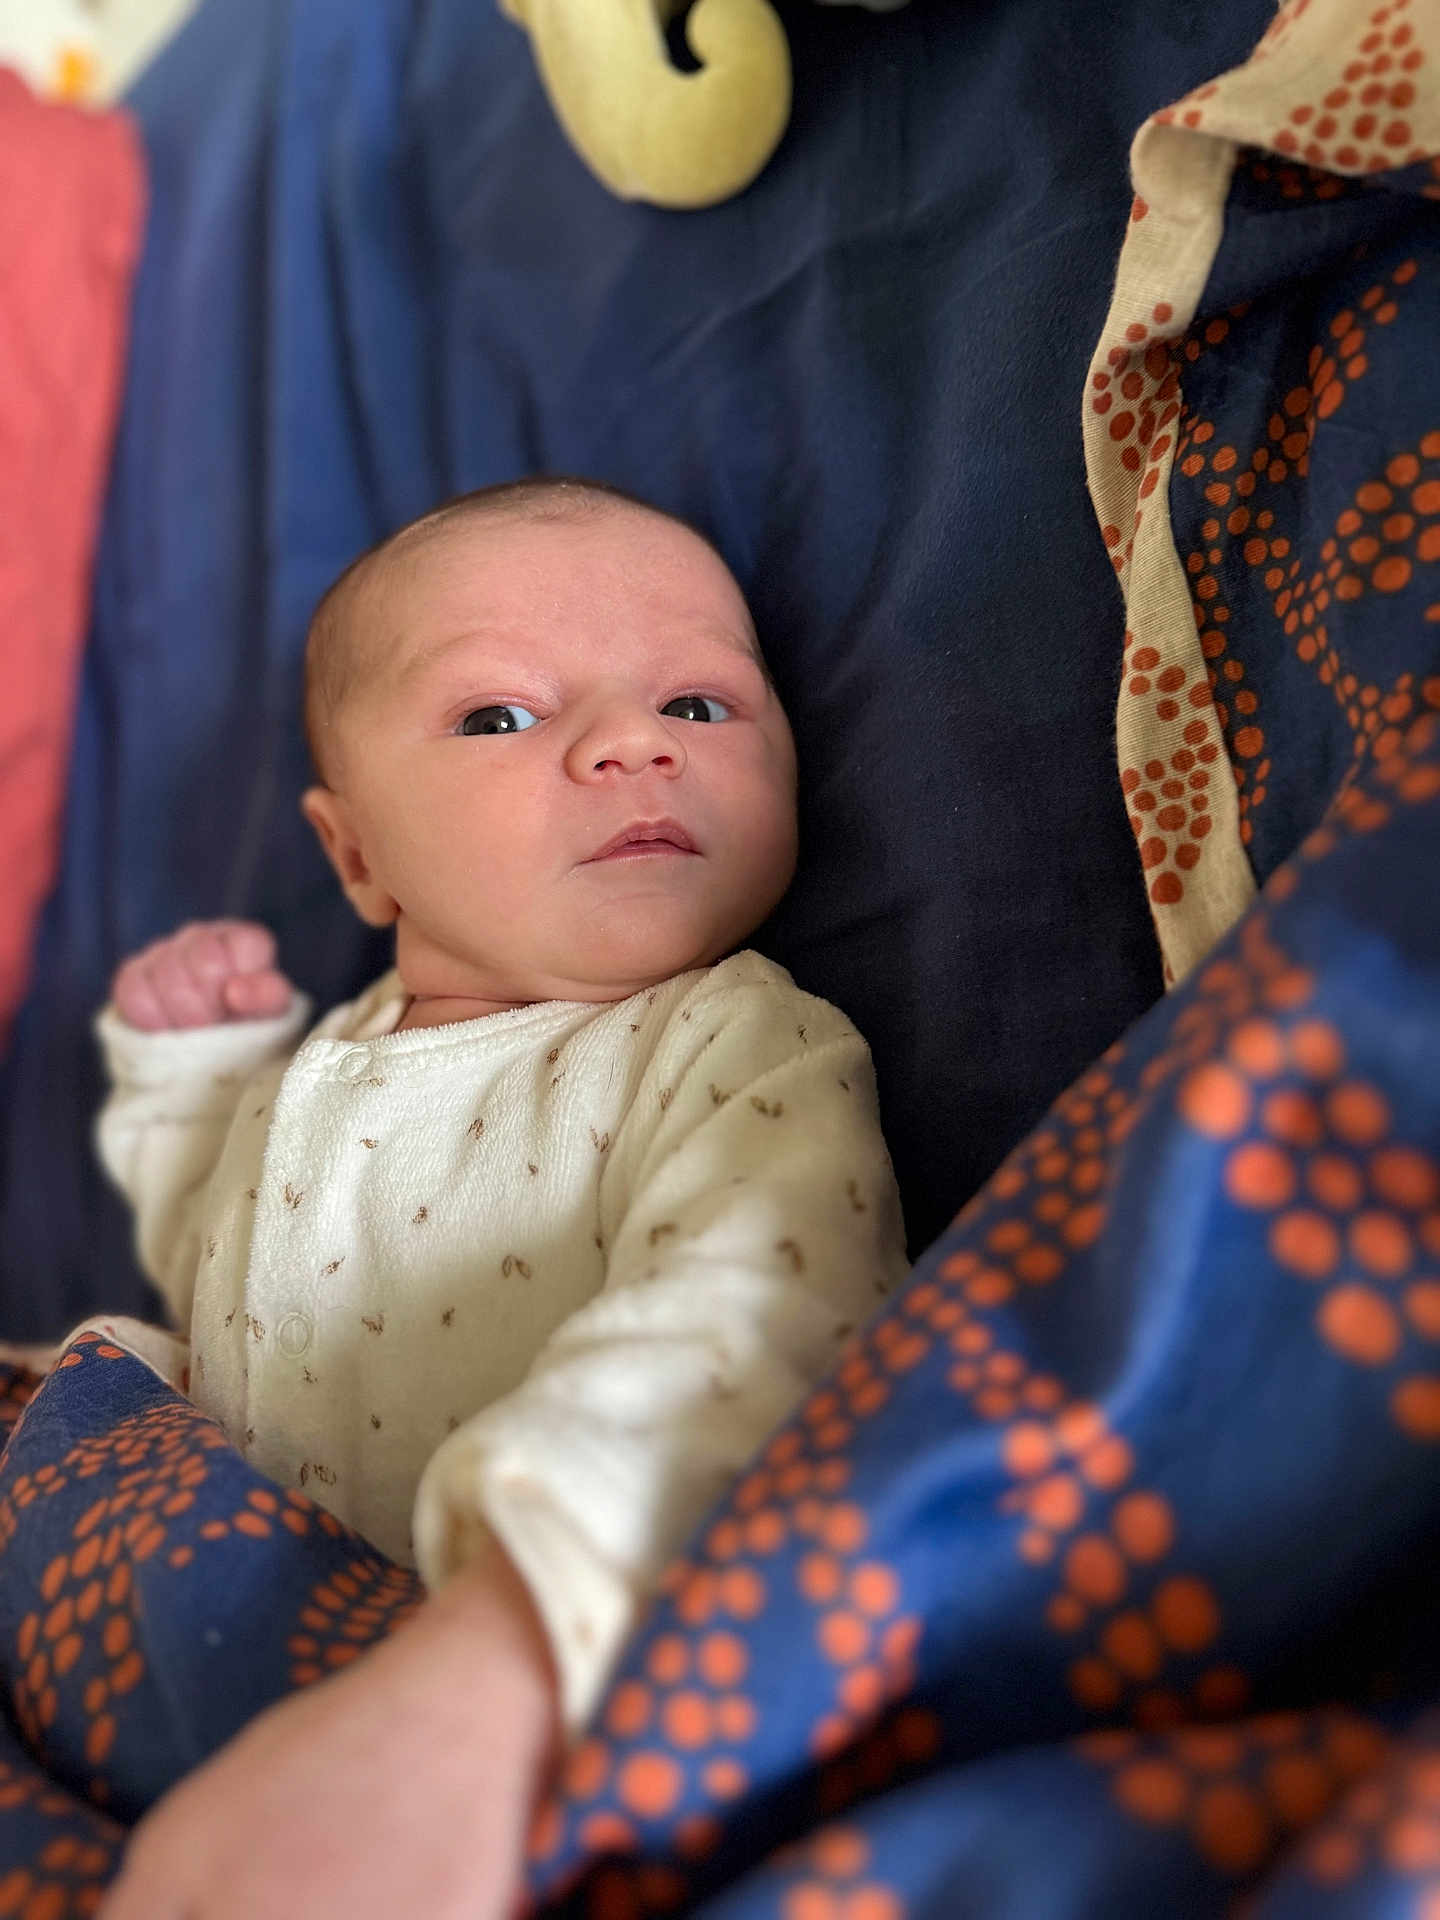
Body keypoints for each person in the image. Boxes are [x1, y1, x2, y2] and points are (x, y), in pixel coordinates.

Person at [94, 477, 909, 1919]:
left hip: (527, 1683)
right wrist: (188, 1089)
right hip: (201, 1634)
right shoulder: (321, 1062)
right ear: (355, 856)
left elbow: (750, 1330)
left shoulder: (729, 1047)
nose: (631, 744)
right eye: (501, 716)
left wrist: (504, 1659)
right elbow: (211, 1273)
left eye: (703, 707)